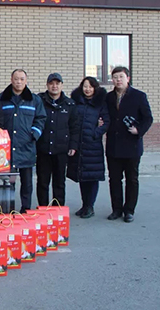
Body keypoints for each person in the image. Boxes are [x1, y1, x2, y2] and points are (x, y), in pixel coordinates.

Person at [105, 66, 153, 223]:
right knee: (114, 179)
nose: (118, 80)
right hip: (113, 145)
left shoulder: (139, 96)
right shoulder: (108, 97)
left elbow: (148, 118)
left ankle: (129, 210)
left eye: (121, 77)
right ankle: (116, 209)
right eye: (115, 77)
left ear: (128, 78)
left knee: (132, 179)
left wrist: (139, 130)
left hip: (132, 145)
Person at [0, 69, 47, 213]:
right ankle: (8, 209)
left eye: (21, 79)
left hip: (26, 147)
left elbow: (41, 119)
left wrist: (34, 134)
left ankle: (25, 209)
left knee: (27, 183)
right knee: (8, 183)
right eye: (16, 79)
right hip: (7, 150)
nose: (18, 82)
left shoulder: (34, 100)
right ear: (11, 80)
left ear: (26, 81)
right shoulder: (2, 99)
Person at [67, 76, 109, 219]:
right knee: (82, 176)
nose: (87, 89)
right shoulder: (76, 102)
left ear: (95, 88)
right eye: (85, 86)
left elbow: (106, 122)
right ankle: (85, 205)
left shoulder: (100, 103)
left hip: (93, 145)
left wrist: (95, 133)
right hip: (79, 145)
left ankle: (90, 206)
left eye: (90, 87)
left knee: (92, 177)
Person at [36, 73, 80, 207]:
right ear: (47, 85)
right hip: (43, 149)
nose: (54, 86)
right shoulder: (39, 101)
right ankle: (43, 209)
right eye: (51, 83)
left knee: (59, 182)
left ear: (61, 85)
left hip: (61, 150)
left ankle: (58, 210)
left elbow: (74, 127)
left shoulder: (69, 104)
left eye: (57, 83)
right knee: (42, 182)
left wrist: (73, 145)